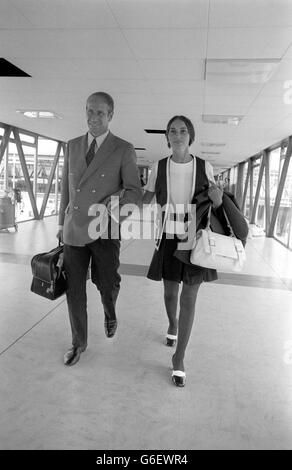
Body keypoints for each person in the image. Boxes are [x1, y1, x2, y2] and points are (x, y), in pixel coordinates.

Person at [143, 115, 242, 387]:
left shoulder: (204, 166)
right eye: (172, 131)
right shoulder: (158, 167)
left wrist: (219, 198)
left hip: (195, 237)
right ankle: (172, 325)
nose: (177, 135)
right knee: (169, 292)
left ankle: (179, 358)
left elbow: (216, 198)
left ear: (191, 136)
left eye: (183, 131)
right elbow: (145, 198)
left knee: (189, 297)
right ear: (167, 137)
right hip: (167, 236)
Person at [57, 92, 142, 366]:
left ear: (111, 115)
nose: (93, 117)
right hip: (75, 229)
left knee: (107, 283)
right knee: (74, 290)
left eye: (100, 113)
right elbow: (65, 191)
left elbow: (134, 192)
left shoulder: (123, 148)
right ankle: (78, 343)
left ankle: (110, 311)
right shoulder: (71, 145)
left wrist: (112, 206)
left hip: (105, 228)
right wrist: (61, 224)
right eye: (89, 111)